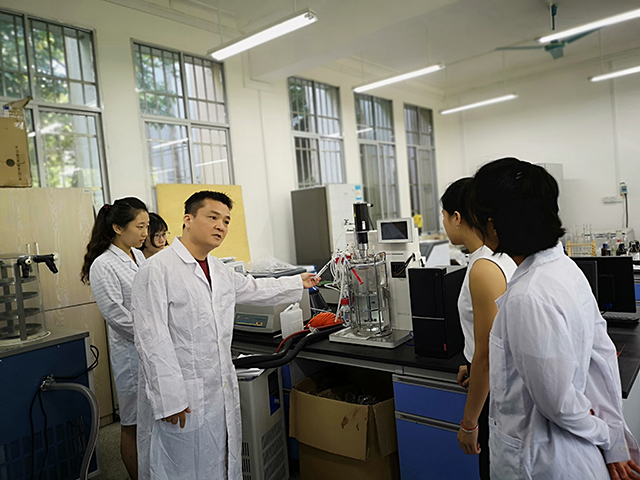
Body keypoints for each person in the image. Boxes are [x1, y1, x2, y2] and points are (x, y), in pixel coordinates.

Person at [465, 157, 640, 479]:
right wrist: (613, 439)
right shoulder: (564, 268)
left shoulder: (528, 296)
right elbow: (601, 360)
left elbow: (558, 404)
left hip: (544, 462)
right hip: (574, 451)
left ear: (493, 225)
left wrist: (608, 436)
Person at [131, 190, 320, 480]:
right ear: (188, 219)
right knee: (180, 466)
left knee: (217, 460)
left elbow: (254, 288)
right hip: (180, 393)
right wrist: (169, 398)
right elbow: (152, 339)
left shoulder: (218, 269)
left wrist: (297, 282)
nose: (221, 225)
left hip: (215, 387)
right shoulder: (157, 269)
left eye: (226, 221)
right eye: (213, 217)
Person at [441, 178, 516, 479]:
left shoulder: (484, 268)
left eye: (444, 216)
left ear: (457, 218)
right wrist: (469, 362)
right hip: (493, 378)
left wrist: (469, 423)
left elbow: (489, 355)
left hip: (496, 388)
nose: (444, 223)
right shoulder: (494, 257)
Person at [80, 197, 149, 480]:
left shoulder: (139, 256)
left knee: (151, 421)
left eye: (147, 226)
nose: (145, 232)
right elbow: (116, 316)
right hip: (131, 354)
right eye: (140, 226)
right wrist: (152, 334)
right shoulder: (104, 264)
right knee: (132, 423)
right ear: (118, 228)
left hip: (150, 348)